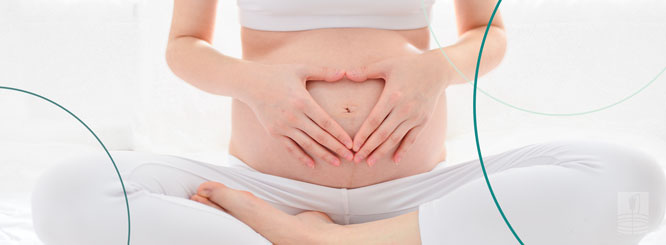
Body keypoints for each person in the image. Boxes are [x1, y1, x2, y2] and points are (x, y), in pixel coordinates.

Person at [31, 0, 666, 244]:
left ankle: (319, 243)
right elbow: (184, 45)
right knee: (65, 194)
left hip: (419, 198)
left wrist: (438, 69)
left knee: (639, 189)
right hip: (266, 190)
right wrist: (255, 85)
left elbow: (489, 32)